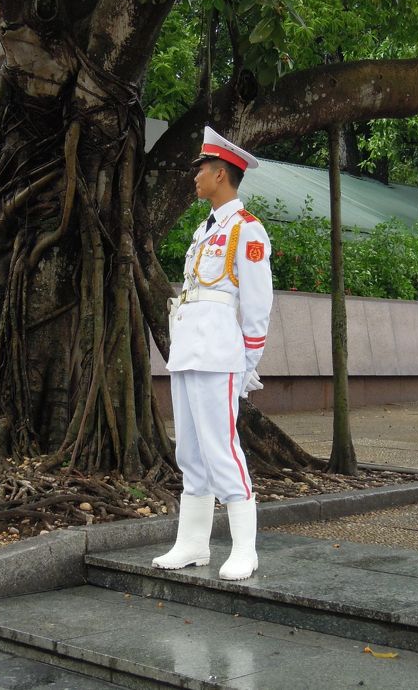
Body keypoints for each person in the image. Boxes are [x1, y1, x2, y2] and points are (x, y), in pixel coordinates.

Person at [153, 126, 273, 581]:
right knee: (190, 450)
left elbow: (258, 305)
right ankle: (192, 543)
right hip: (188, 352)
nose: (196, 175)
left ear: (220, 173)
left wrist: (249, 364)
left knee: (222, 449)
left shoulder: (247, 230)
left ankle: (245, 549)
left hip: (220, 353)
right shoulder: (205, 232)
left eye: (201, 167)